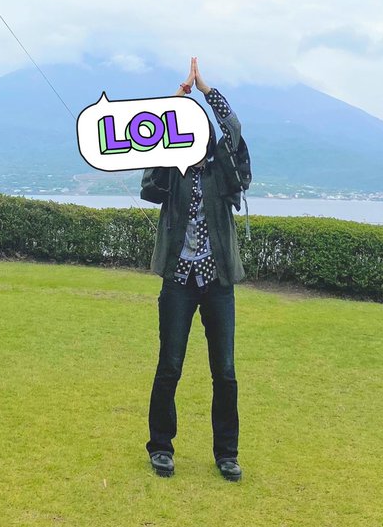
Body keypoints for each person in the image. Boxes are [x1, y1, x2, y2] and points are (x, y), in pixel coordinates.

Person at [140, 57, 245, 482]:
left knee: (225, 370)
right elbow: (150, 153)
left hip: (217, 282)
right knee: (170, 365)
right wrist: (176, 99)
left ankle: (227, 454)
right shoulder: (171, 169)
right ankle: (161, 446)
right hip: (179, 281)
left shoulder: (225, 169)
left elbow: (234, 131)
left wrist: (207, 91)